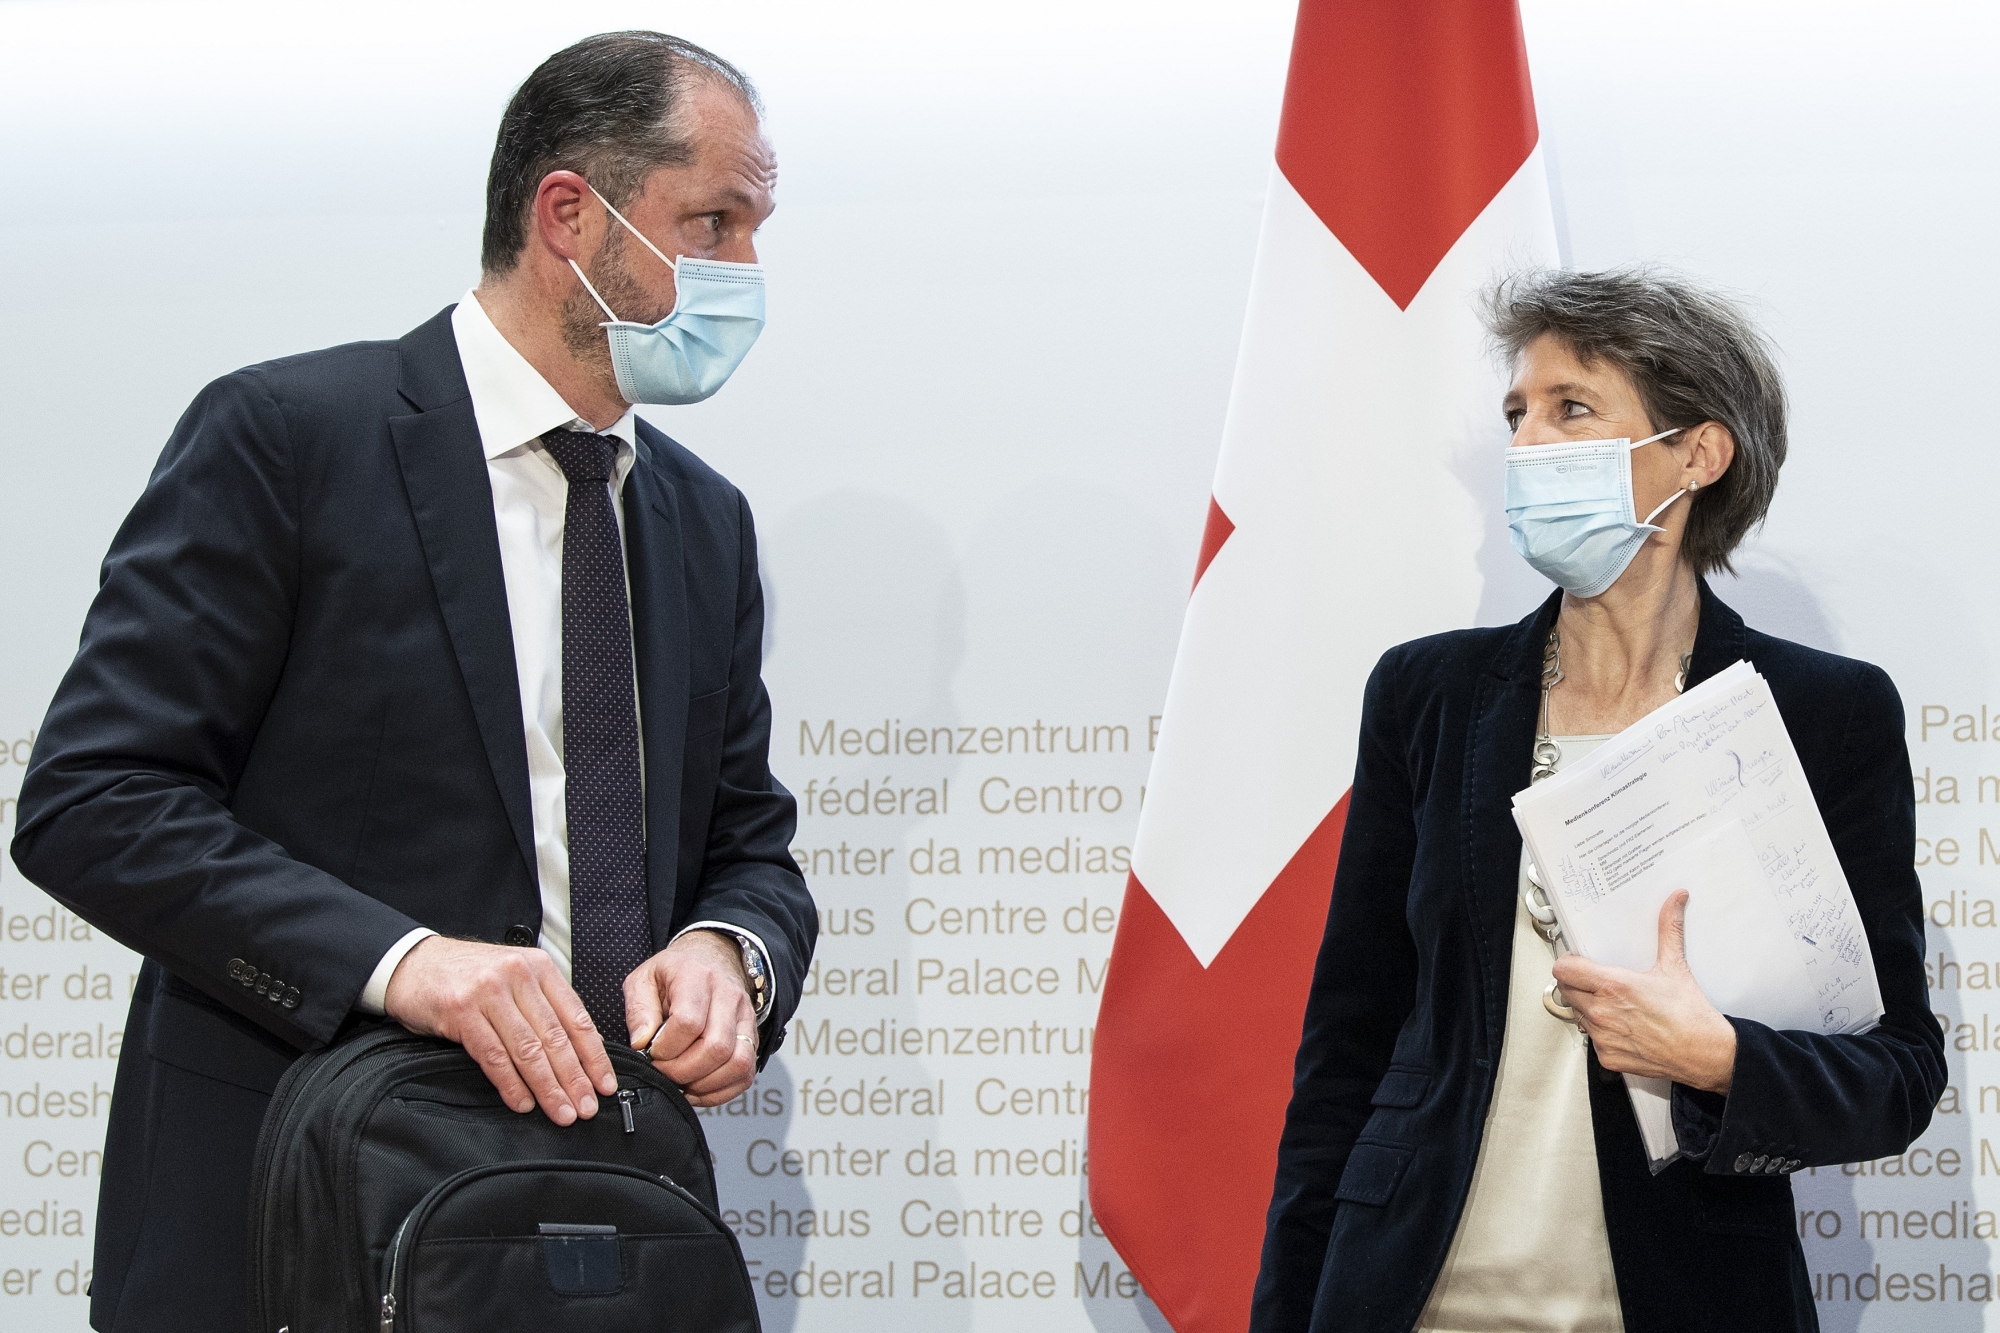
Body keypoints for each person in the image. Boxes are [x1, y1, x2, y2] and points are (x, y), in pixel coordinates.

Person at [10, 31, 816, 1333]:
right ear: (570, 214)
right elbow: (93, 803)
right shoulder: (290, 440)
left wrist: (736, 953)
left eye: (757, 228)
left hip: (604, 1242)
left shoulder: (701, 520)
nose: (744, 272)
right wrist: (401, 960)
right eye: (712, 220)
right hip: (292, 1226)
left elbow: (749, 849)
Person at [1251, 268, 1943, 1333]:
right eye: (1516, 415)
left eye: (1571, 409)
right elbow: (1345, 1046)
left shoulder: (1821, 712)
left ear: (1697, 455)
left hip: (1682, 1296)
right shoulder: (1426, 694)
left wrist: (1720, 1059)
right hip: (1407, 1294)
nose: (1528, 446)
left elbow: (1892, 1072)